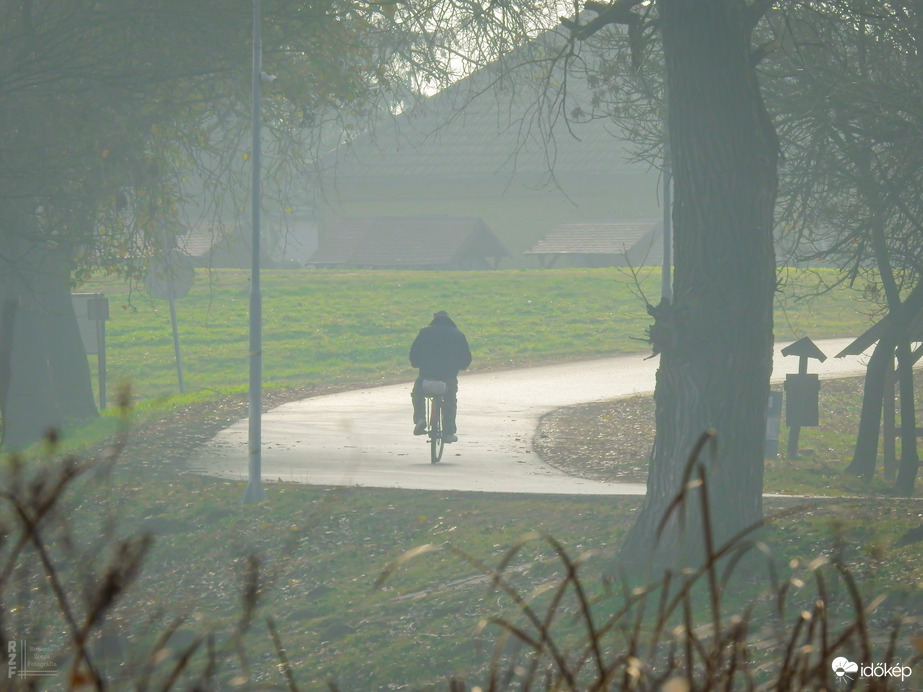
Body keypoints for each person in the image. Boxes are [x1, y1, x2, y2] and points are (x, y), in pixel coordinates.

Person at [409, 311, 471, 442]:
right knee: (450, 399)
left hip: (427, 373)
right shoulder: (458, 335)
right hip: (448, 375)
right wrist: (463, 366)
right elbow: (466, 357)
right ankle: (448, 432)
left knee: (418, 392)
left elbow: (414, 353)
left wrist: (416, 364)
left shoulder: (424, 332)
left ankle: (420, 418)